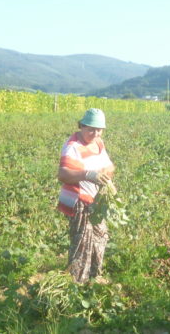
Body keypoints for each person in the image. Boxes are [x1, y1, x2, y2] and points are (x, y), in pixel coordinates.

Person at [57, 108, 116, 283]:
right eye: (91, 129)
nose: (95, 133)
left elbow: (109, 166)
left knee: (100, 237)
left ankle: (94, 276)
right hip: (79, 201)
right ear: (82, 126)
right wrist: (87, 175)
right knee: (82, 244)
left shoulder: (98, 143)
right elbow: (63, 174)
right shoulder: (73, 146)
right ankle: (77, 284)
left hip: (96, 201)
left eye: (99, 129)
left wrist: (107, 179)